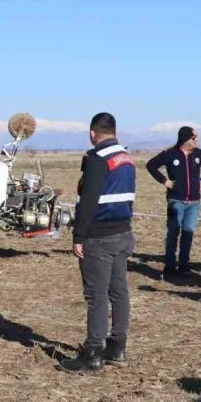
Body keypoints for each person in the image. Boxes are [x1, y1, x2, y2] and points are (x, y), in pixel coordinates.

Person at [60, 113, 136, 375]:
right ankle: (118, 347)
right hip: (123, 233)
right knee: (119, 292)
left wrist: (78, 236)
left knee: (97, 297)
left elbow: (89, 200)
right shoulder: (126, 158)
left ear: (93, 133)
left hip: (99, 237)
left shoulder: (97, 159)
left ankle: (93, 354)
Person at [145, 126, 201, 277]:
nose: (196, 140)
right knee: (173, 233)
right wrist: (165, 181)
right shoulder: (170, 154)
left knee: (188, 233)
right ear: (185, 139)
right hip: (175, 201)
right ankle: (169, 267)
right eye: (194, 138)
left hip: (194, 202)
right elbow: (151, 165)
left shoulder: (198, 154)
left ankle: (184, 265)